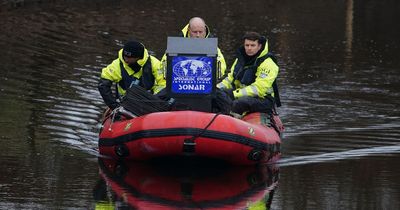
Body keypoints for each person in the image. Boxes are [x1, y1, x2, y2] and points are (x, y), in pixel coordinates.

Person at [217, 31, 280, 116]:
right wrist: (215, 89)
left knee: (239, 103)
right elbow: (230, 79)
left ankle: (231, 122)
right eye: (247, 45)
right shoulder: (240, 59)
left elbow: (259, 89)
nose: (249, 48)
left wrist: (235, 94)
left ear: (259, 46)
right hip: (242, 92)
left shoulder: (268, 63)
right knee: (219, 95)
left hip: (264, 99)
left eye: (253, 45)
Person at [98, 40, 165, 110]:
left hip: (149, 102)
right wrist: (114, 105)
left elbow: (163, 84)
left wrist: (155, 100)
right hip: (125, 103)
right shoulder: (117, 64)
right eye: (125, 56)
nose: (126, 60)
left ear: (138, 57)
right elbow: (103, 85)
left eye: (129, 58)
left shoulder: (154, 64)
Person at [161, 17, 227, 80]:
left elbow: (221, 67)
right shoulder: (176, 44)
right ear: (189, 30)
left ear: (205, 30)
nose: (198, 35)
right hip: (181, 81)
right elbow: (164, 65)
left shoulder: (212, 46)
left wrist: (208, 77)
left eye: (200, 32)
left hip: (204, 82)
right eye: (195, 32)